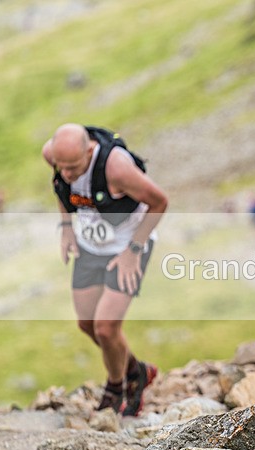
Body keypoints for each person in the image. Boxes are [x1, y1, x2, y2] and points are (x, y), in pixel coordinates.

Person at [42, 124, 168, 415]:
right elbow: (59, 187)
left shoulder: (117, 169)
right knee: (87, 324)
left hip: (128, 244)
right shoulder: (53, 155)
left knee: (106, 327)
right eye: (62, 167)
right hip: (90, 243)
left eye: (74, 167)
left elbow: (160, 202)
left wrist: (133, 251)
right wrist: (65, 227)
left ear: (89, 151)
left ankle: (116, 390)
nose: (69, 174)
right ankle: (137, 371)